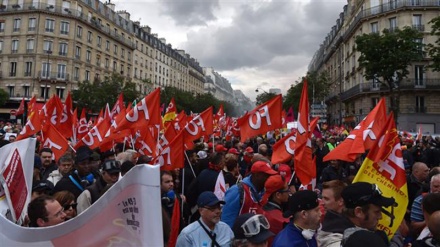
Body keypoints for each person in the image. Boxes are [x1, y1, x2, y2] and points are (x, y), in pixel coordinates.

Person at [221, 160, 277, 227]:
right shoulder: (236, 191)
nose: (269, 178)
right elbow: (227, 221)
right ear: (257, 175)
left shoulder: (264, 192)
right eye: (266, 175)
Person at [340, 182, 395, 247]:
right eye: (376, 212)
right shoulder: (364, 241)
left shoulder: (341, 231)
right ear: (358, 212)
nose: (380, 217)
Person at [261, 175, 290, 246]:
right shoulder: (281, 220)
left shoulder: (259, 208)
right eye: (287, 190)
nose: (289, 193)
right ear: (278, 195)